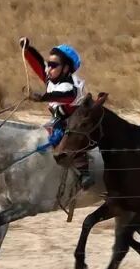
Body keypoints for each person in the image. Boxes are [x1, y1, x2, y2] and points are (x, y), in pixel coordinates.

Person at [19, 37, 94, 189]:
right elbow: (39, 64)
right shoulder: (53, 78)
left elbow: (64, 96)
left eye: (53, 66)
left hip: (75, 123)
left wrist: (42, 97)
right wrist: (27, 50)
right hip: (58, 120)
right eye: (49, 64)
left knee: (71, 139)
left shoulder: (69, 86)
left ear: (66, 68)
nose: (48, 69)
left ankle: (84, 173)